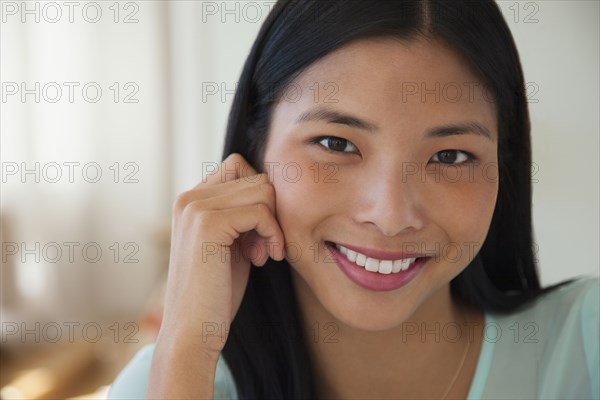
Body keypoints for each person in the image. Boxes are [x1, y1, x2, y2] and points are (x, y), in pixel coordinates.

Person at [108, 0, 599, 399]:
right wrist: (186, 348)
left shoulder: (585, 346)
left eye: (450, 155)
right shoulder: (171, 380)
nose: (389, 216)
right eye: (337, 144)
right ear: (255, 148)